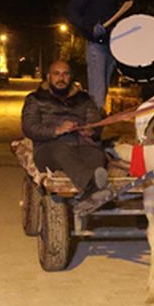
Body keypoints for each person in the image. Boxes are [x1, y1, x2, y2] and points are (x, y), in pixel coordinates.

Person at [21, 60, 112, 212]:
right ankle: (93, 186)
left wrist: (90, 129)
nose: (61, 78)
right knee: (61, 150)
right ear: (49, 77)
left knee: (96, 153)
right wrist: (57, 130)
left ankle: (88, 198)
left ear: (70, 77)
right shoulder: (35, 99)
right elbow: (29, 128)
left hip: (80, 145)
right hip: (48, 149)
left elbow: (95, 121)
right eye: (56, 74)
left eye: (65, 74)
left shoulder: (83, 99)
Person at [65, 0, 133, 112]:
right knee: (97, 93)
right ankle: (91, 133)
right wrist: (90, 28)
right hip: (97, 44)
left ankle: (94, 132)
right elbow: (72, 11)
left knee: (103, 92)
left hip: (111, 43)